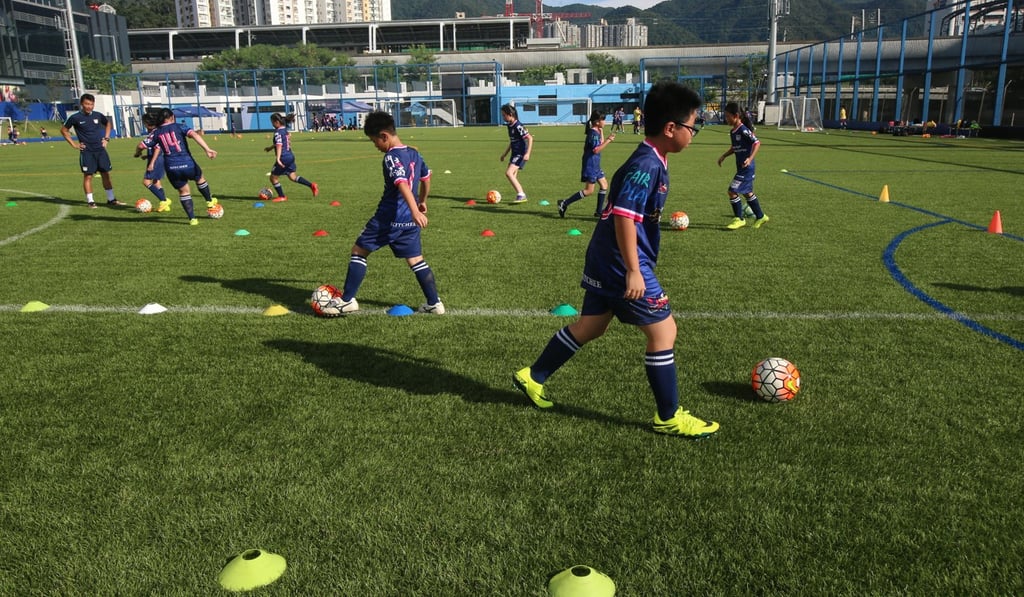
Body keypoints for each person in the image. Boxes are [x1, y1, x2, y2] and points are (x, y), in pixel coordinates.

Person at [512, 81, 719, 439]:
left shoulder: (653, 158)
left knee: (592, 326)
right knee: (664, 330)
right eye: (692, 126)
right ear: (671, 128)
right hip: (622, 262)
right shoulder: (646, 164)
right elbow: (624, 215)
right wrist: (635, 272)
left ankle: (534, 375)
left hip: (604, 256)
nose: (694, 133)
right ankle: (668, 416)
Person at [328, 111, 444, 316]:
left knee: (359, 251)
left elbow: (401, 184)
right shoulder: (415, 153)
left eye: (374, 141)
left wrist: (415, 208)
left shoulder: (391, 157)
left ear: (384, 136)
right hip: (409, 220)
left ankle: (347, 300)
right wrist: (422, 202)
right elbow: (426, 179)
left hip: (389, 217)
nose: (375, 146)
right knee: (416, 259)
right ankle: (434, 303)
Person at [142, 107, 218, 226]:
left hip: (171, 167)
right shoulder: (179, 126)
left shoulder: (156, 132)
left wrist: (137, 152)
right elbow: (194, 135)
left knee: (184, 192)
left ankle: (192, 219)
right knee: (200, 178)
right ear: (172, 117)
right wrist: (207, 149)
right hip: (187, 162)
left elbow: (142, 145)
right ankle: (209, 201)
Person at [60, 93, 125, 209]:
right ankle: (90, 201)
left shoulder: (98, 115)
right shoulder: (75, 118)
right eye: (86, 104)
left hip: (100, 150)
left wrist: (106, 138)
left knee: (106, 174)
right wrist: (74, 144)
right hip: (87, 152)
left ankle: (111, 199)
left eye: (91, 104)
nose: (89, 106)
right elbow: (64, 130)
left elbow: (108, 124)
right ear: (81, 104)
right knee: (88, 176)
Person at [717, 102, 767, 230]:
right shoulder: (733, 131)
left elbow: (757, 143)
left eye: (728, 116)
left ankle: (739, 219)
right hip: (741, 167)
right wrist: (724, 155)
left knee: (732, 191)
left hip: (747, 168)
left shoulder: (743, 129)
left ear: (736, 116)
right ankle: (761, 216)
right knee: (747, 193)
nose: (726, 119)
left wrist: (750, 159)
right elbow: (735, 147)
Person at [558, 110, 614, 218]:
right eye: (603, 120)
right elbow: (596, 150)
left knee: (604, 185)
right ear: (597, 122)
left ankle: (598, 211)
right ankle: (564, 203)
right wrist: (608, 140)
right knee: (589, 190)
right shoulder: (592, 133)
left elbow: (600, 143)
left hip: (595, 164)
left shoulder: (596, 131)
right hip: (590, 165)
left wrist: (601, 131)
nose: (605, 122)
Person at [263, 113, 318, 201]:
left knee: (273, 178)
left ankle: (282, 196)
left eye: (272, 122)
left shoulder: (277, 132)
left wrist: (278, 158)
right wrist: (271, 148)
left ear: (277, 122)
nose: (272, 124)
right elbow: (282, 142)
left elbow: (279, 144)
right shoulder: (284, 130)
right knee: (292, 176)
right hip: (290, 156)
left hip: (283, 157)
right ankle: (311, 185)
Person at [133, 112, 171, 212]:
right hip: (161, 159)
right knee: (156, 182)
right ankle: (165, 205)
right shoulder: (160, 131)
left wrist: (150, 161)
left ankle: (164, 200)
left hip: (157, 160)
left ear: (147, 123)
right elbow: (156, 147)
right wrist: (148, 156)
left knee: (146, 182)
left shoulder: (155, 132)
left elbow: (142, 146)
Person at [499, 104, 533, 204]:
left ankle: (521, 194)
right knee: (512, 175)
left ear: (510, 114)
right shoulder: (510, 125)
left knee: (508, 173)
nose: (503, 117)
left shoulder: (518, 126)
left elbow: (530, 138)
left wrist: (528, 154)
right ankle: (519, 194)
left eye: (504, 115)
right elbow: (512, 141)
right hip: (514, 153)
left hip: (521, 153)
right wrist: (504, 154)